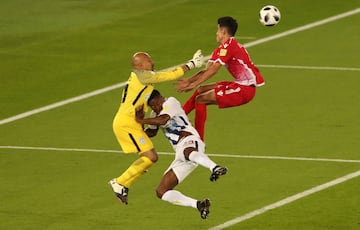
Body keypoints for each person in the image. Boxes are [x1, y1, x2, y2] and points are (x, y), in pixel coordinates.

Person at [109, 50, 204, 205]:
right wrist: (191, 64)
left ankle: (122, 184)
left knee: (151, 157)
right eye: (148, 61)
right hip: (127, 123)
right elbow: (168, 75)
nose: (152, 63)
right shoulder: (142, 76)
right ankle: (120, 183)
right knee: (150, 157)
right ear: (139, 65)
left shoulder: (143, 79)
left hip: (133, 123)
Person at [135, 89, 227, 219]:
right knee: (161, 191)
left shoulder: (171, 102)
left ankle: (215, 167)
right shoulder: (155, 113)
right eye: (153, 106)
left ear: (161, 98)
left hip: (190, 140)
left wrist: (140, 120)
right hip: (180, 152)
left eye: (156, 104)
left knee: (187, 151)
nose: (156, 108)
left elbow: (163, 120)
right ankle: (198, 204)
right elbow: (152, 132)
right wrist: (135, 131)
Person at [177, 16, 265, 140]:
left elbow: (214, 70)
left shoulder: (230, 46)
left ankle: (198, 140)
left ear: (223, 31)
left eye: (217, 30)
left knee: (201, 99)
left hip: (245, 90)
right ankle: (177, 117)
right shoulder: (220, 49)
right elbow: (207, 70)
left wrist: (193, 84)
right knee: (201, 90)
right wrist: (189, 81)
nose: (216, 33)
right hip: (239, 85)